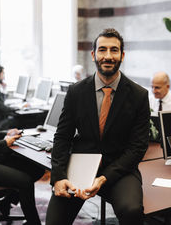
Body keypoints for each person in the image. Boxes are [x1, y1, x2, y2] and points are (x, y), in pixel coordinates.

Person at [46, 28, 150, 225]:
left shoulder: (139, 95)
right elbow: (62, 136)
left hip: (120, 167)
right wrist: (58, 177)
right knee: (54, 222)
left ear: (122, 55)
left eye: (114, 50)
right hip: (80, 165)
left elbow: (137, 147)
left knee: (132, 211)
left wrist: (104, 178)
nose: (108, 56)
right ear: (94, 54)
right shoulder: (76, 92)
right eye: (102, 50)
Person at [0, 81, 45, 225]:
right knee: (25, 181)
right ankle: (33, 223)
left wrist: (7, 133)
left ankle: (5, 203)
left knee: (35, 169)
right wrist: (5, 143)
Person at [0, 65, 18, 130]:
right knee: (19, 118)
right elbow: (2, 106)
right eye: (3, 74)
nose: (4, 77)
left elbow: (0, 102)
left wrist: (3, 88)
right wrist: (17, 109)